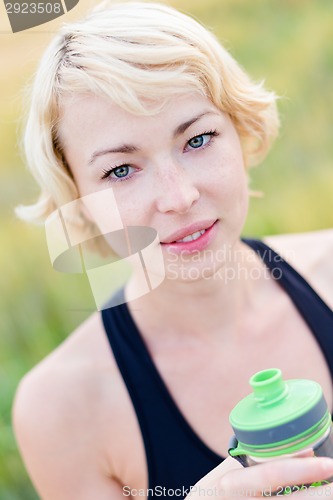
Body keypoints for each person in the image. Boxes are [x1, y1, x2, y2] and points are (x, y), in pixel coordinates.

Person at [12, 1, 333, 499]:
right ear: (76, 199)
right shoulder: (62, 408)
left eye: (199, 138)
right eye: (121, 170)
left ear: (240, 130)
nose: (179, 196)